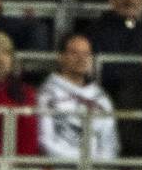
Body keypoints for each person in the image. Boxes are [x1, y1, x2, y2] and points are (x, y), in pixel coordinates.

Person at [37, 32, 118, 162]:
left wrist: (99, 165)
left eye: (86, 54)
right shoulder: (46, 95)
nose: (81, 58)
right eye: (74, 53)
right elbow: (45, 141)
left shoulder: (101, 97)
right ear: (61, 57)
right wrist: (81, 163)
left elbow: (110, 142)